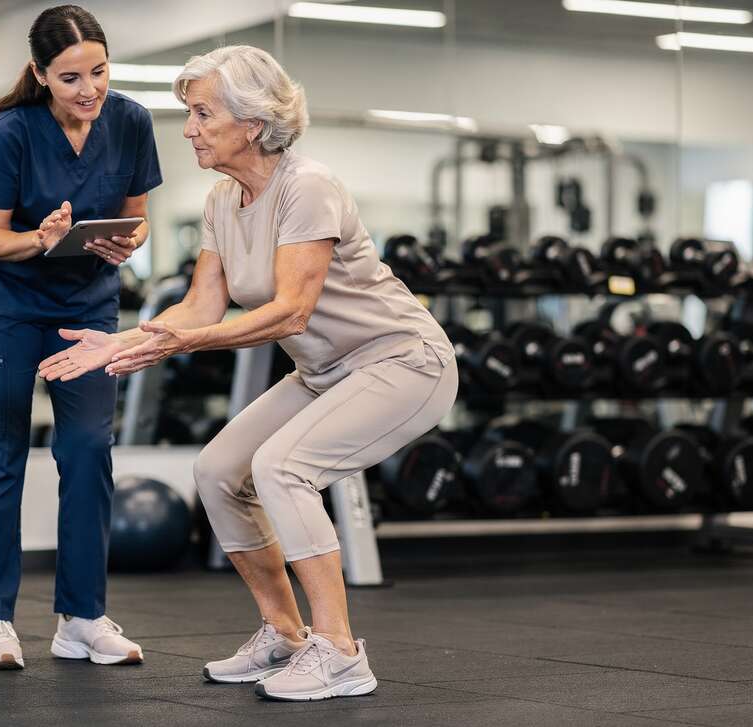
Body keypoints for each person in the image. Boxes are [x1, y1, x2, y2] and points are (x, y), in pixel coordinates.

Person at [37, 45, 458, 701]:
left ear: (254, 122)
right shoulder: (220, 201)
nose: (189, 128)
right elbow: (201, 306)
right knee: (217, 471)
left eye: (203, 113)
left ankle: (341, 652)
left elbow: (290, 311)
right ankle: (285, 633)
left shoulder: (308, 186)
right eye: (189, 113)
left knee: (283, 468)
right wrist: (119, 343)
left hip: (403, 362)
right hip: (326, 371)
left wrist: (175, 343)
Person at [0, 4, 162, 670]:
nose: (90, 89)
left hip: (86, 303)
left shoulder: (129, 120)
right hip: (3, 303)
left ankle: (81, 617)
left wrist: (122, 245)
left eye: (99, 71)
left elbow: (138, 221)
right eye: (71, 77)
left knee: (86, 450)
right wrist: (38, 238)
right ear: (41, 75)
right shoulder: (8, 133)